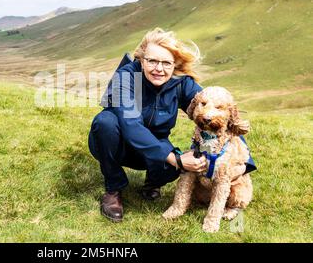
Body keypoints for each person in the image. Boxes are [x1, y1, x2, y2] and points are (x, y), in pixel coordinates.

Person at [88, 28, 255, 222]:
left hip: (155, 146)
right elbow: (130, 126)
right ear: (142, 60)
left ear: (174, 65)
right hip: (118, 145)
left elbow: (219, 113)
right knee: (105, 122)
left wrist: (244, 164)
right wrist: (174, 158)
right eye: (152, 61)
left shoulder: (181, 83)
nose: (159, 68)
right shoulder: (126, 78)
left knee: (173, 167)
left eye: (166, 63)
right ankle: (113, 188)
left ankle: (153, 182)